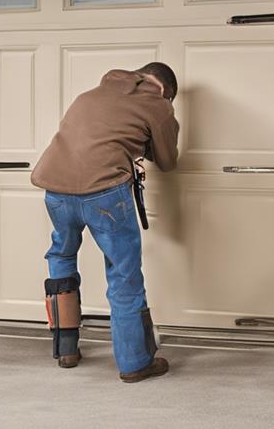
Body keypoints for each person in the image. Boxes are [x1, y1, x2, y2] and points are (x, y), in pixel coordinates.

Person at [30, 62, 179, 383]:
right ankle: (134, 362)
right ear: (165, 90)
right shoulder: (157, 104)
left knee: (61, 256)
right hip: (104, 195)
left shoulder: (89, 95)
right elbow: (167, 161)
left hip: (55, 188)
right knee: (122, 272)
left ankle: (66, 349)